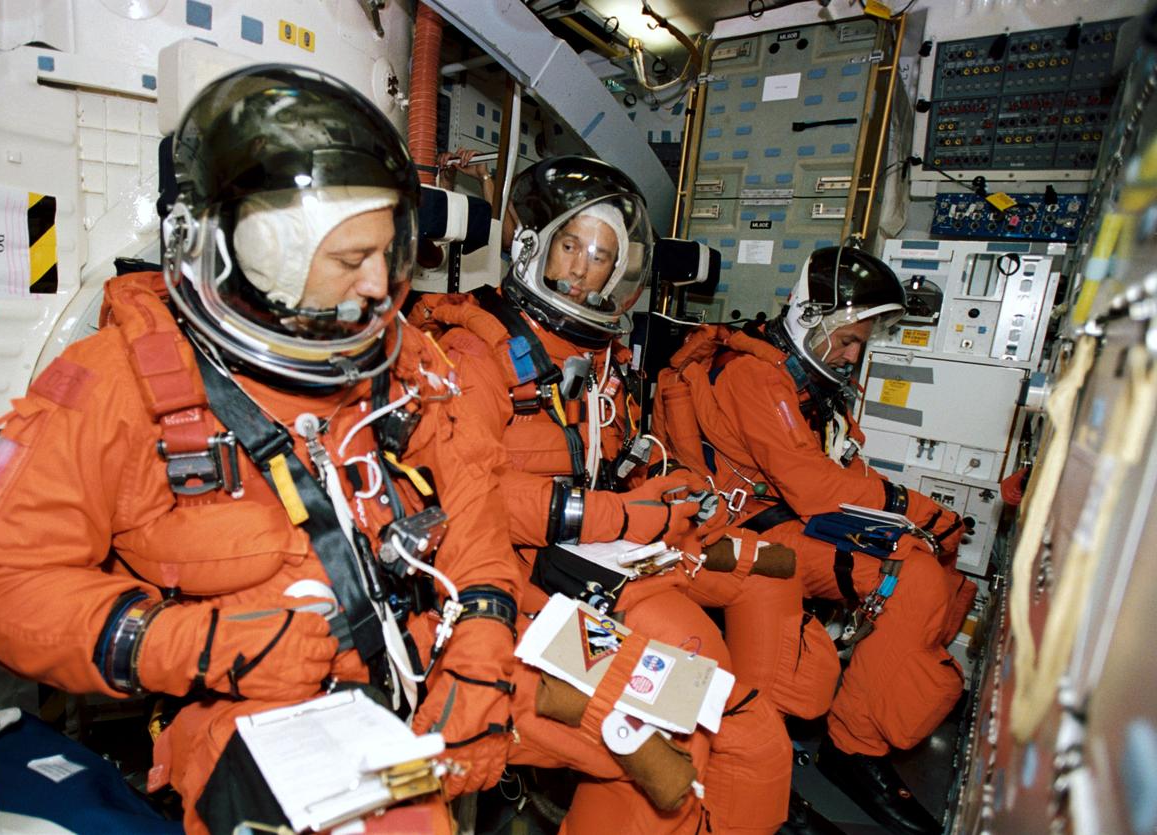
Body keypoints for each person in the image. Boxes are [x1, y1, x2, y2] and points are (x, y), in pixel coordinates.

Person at [0, 66, 522, 835]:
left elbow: (474, 512)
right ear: (256, 253)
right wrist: (196, 644)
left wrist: (482, 642)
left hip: (423, 664)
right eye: (351, 261)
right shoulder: (111, 384)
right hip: (249, 711)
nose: (381, 284)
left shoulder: (406, 366)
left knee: (669, 707)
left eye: (388, 253)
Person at [411, 155, 792, 834]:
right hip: (520, 583)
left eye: (604, 257)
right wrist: (623, 512)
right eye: (573, 245)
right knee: (683, 704)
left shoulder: (597, 358)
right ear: (534, 242)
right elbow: (478, 498)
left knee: (748, 721)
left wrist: (659, 489)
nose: (586, 268)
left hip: (593, 563)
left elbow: (609, 460)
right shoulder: (475, 356)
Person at [652, 246, 978, 835]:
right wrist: (916, 508)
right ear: (811, 318)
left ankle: (856, 744)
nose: (854, 358)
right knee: (911, 577)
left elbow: (830, 476)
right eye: (848, 341)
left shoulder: (795, 378)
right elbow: (815, 488)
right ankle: (847, 747)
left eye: (860, 344)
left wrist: (916, 520)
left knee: (925, 564)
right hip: (738, 532)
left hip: (783, 520)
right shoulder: (756, 375)